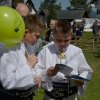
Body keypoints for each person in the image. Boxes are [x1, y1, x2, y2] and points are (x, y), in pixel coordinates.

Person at [34, 20, 93, 100]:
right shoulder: (45, 51)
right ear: (54, 35)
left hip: (71, 96)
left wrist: (80, 79)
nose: (63, 44)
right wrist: (47, 73)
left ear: (71, 36)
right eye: (59, 40)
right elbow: (36, 70)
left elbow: (86, 70)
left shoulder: (77, 51)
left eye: (66, 40)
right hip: (51, 96)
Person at [0, 12, 44, 100]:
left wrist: (37, 76)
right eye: (36, 36)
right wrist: (28, 66)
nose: (38, 39)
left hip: (27, 95)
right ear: (26, 32)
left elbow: (35, 66)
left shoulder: (28, 47)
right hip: (12, 97)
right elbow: (7, 81)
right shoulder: (10, 49)